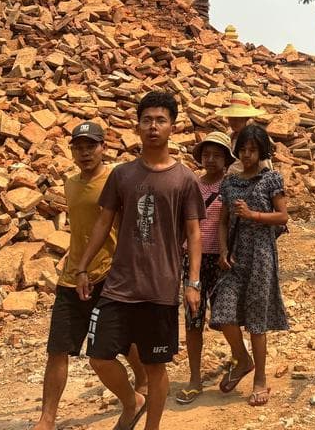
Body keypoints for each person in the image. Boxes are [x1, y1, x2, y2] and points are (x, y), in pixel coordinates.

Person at [75, 92, 204, 430]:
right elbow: (103, 221)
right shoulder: (122, 175)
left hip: (161, 287)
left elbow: (193, 234)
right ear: (137, 126)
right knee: (99, 356)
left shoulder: (184, 179)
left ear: (172, 127)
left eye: (161, 120)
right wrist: (83, 265)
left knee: (155, 365)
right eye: (147, 120)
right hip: (120, 284)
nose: (153, 127)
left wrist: (192, 283)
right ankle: (133, 402)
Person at [34, 122, 147, 430]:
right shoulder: (70, 183)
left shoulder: (116, 180)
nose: (84, 152)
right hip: (72, 276)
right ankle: (47, 419)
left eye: (91, 146)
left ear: (103, 148)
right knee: (57, 348)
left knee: (120, 342)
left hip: (109, 274)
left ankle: (142, 385)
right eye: (78, 147)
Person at [210, 124, 290, 407]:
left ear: (261, 151)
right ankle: (243, 359)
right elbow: (222, 220)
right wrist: (221, 250)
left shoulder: (271, 180)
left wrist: (253, 214)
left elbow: (283, 217)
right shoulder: (229, 183)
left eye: (252, 150)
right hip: (234, 256)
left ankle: (260, 379)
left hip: (261, 255)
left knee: (257, 319)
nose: (246, 155)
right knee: (222, 311)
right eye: (242, 150)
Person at [176, 131, 236, 405]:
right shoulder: (192, 186)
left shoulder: (232, 186)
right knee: (193, 318)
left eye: (217, 155)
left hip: (223, 259)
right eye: (206, 155)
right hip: (194, 259)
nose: (210, 160)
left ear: (226, 160)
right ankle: (195, 378)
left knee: (227, 316)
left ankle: (239, 358)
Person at [216, 92, 272, 173]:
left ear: (246, 118)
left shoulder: (256, 138)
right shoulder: (229, 137)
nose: (233, 122)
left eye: (237, 119)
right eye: (231, 118)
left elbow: (265, 167)